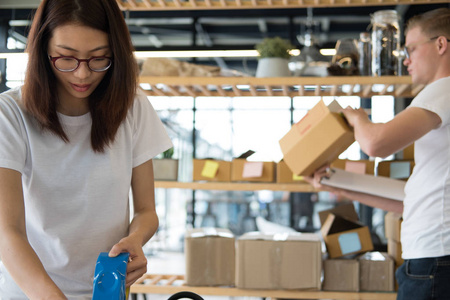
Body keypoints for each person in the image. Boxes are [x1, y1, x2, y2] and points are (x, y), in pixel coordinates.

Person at [0, 0, 173, 299]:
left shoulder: (133, 108)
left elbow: (147, 211)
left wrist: (136, 238)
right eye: (66, 58)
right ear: (43, 52)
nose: (82, 74)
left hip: (108, 291)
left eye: (99, 58)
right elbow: (7, 232)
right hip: (30, 292)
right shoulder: (10, 114)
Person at [305, 7, 450, 300]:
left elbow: (376, 144)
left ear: (440, 44)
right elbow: (406, 201)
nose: (406, 60)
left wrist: (358, 117)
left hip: (435, 259)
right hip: (433, 256)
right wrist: (336, 183)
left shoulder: (444, 88)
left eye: (410, 48)